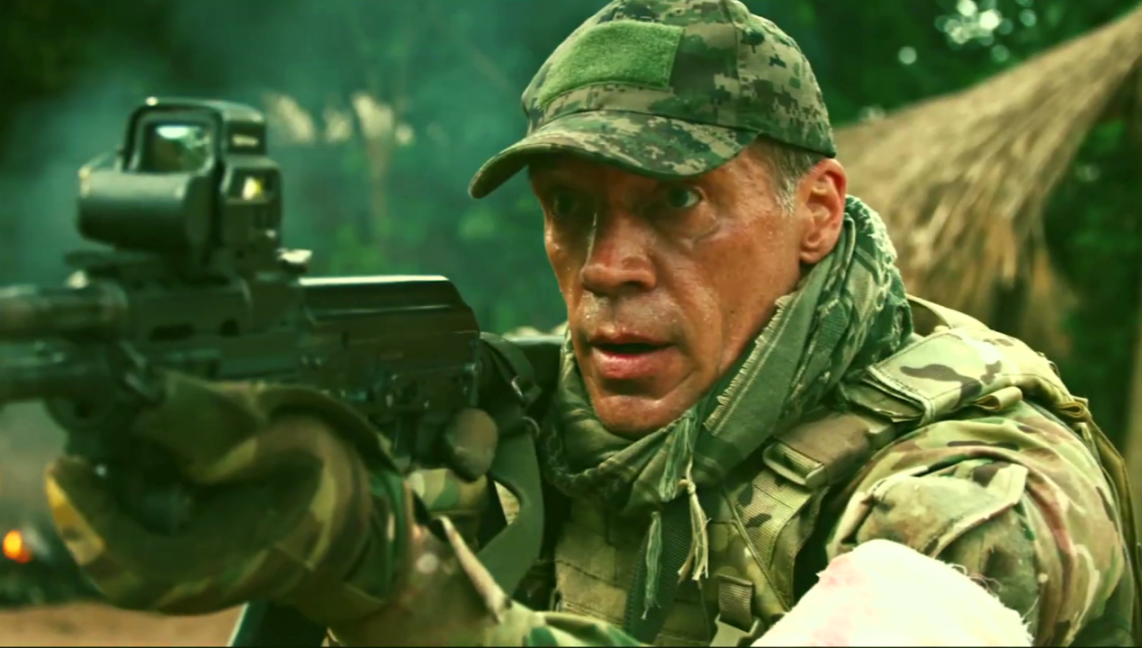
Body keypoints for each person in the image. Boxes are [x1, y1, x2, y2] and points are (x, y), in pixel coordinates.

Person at [43, 1, 1140, 646]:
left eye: (679, 202)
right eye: (570, 208)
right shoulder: (514, 421)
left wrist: (393, 577)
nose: (609, 267)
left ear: (814, 213)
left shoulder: (988, 484)